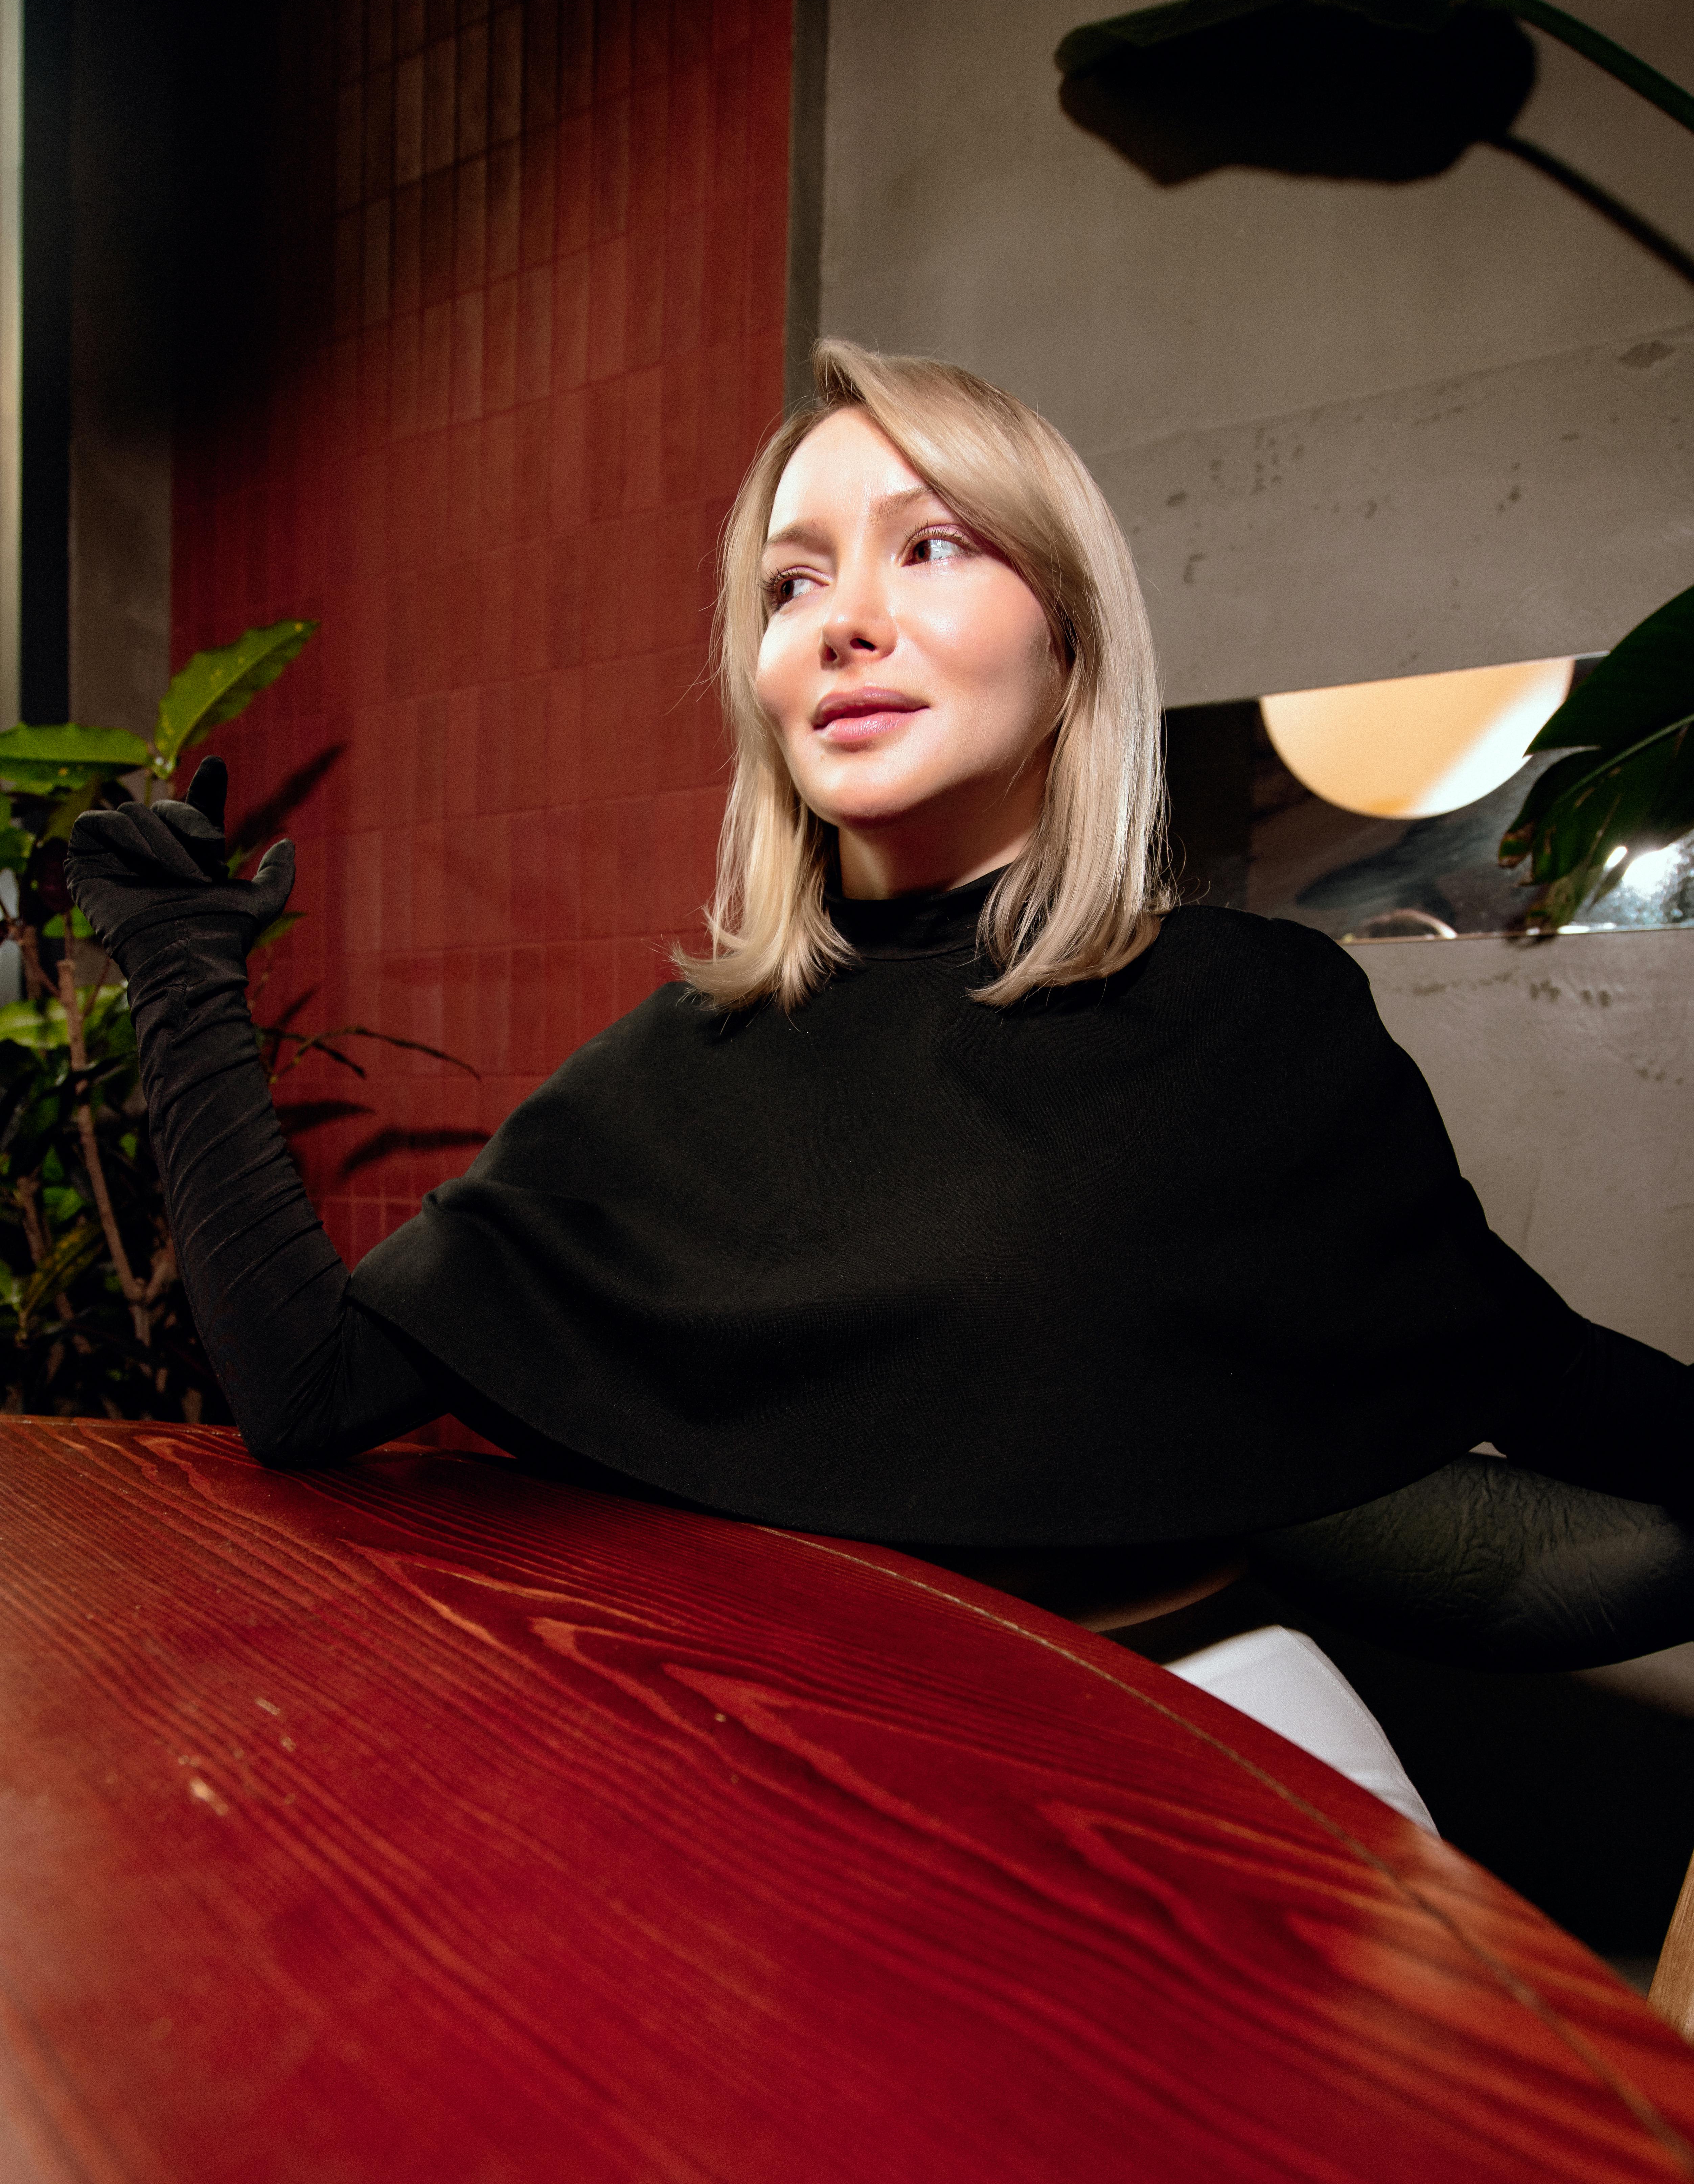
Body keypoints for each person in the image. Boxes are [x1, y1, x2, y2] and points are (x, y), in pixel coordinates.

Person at [66, 341, 1693, 1834]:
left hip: (1209, 1747)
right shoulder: (677, 1065)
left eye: (932, 546)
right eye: (792, 582)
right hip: (796, 1768)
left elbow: (1519, 1383)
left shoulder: (1252, 1013)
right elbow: (307, 1391)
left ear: (1069, 637)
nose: (842, 619)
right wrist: (186, 973)